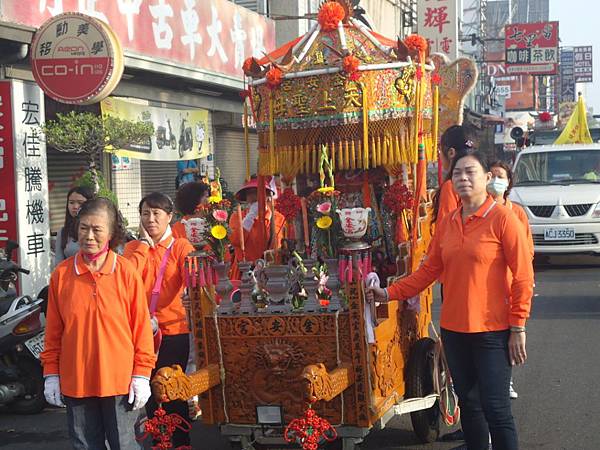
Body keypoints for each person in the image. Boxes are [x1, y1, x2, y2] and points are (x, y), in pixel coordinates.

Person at [368, 152, 534, 450]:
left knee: (496, 408)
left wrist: (518, 327)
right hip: (455, 331)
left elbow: (523, 275)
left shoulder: (503, 219)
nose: (464, 178)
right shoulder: (447, 222)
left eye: (471, 172)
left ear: (487, 178)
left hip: (493, 331)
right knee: (469, 405)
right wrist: (389, 292)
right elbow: (428, 271)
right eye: (457, 173)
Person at [41, 198, 156, 450]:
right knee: (84, 445)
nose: (89, 236)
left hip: (120, 381)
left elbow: (141, 328)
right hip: (76, 381)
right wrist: (51, 373)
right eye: (83, 228)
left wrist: (141, 374)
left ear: (112, 233)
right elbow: (53, 332)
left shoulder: (126, 272)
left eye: (97, 229)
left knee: (123, 445)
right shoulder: (61, 275)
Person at [123, 192, 195, 448]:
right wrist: (143, 244)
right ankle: (159, 440)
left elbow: (192, 278)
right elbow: (126, 278)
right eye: (145, 213)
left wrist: (190, 295)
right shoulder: (133, 248)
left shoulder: (181, 246)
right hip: (141, 333)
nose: (150, 219)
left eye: (156, 213)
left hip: (174, 330)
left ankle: (180, 441)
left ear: (169, 217)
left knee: (172, 390)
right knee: (149, 391)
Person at [488, 160, 535, 401]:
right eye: (492, 175)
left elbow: (527, 251)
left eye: (501, 177)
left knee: (508, 336)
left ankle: (505, 381)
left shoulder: (516, 213)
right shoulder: (477, 210)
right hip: (486, 288)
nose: (496, 180)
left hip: (510, 284)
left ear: (508, 183)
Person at [228, 178, 285, 277]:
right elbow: (236, 241)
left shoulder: (278, 218)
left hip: (271, 272)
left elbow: (278, 246)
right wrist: (250, 217)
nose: (254, 196)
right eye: (250, 193)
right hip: (244, 272)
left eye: (258, 192)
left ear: (268, 196)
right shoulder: (237, 217)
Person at [433, 125, 475, 224]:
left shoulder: (452, 185)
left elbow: (446, 228)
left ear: (451, 153)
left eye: (440, 151)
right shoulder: (482, 180)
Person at [54, 186, 95, 265]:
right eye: (71, 202)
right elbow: (59, 263)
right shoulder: (63, 232)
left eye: (80, 203)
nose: (75, 207)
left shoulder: (98, 230)